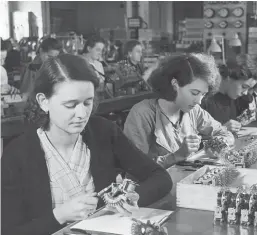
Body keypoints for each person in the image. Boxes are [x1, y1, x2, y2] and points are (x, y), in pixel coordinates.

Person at [1, 54, 172, 235]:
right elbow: (8, 231)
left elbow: (160, 177)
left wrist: (135, 196)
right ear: (44, 102)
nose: (82, 114)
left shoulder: (103, 132)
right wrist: (59, 215)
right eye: (70, 105)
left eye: (87, 102)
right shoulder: (18, 155)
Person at [123, 54, 234, 169]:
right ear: (175, 84)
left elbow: (225, 134)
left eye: (203, 94)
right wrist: (177, 156)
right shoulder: (142, 114)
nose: (199, 101)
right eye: (194, 93)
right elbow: (135, 167)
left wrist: (217, 144)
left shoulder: (194, 111)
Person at [201, 54, 257, 132]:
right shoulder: (204, 100)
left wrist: (251, 116)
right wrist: (221, 129)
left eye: (249, 88)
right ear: (228, 78)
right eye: (244, 86)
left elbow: (242, 121)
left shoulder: (236, 97)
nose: (245, 93)